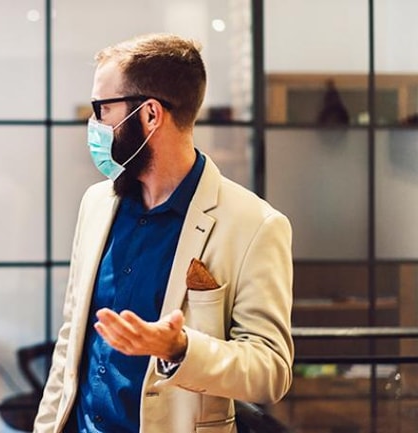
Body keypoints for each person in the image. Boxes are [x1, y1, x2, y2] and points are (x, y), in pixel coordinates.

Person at [34, 33, 293, 433]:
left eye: (102, 109)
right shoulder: (96, 203)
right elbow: (71, 341)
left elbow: (270, 372)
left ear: (151, 114)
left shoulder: (255, 224)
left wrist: (180, 348)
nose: (94, 125)